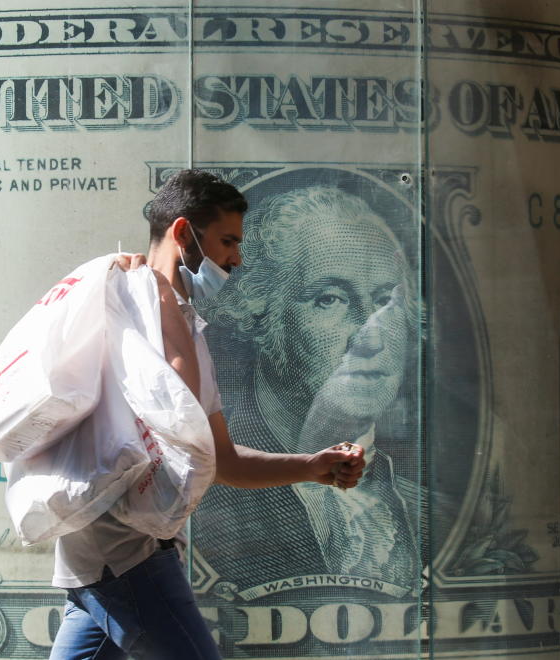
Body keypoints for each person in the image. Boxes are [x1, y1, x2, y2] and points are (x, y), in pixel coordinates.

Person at [48, 171, 366, 660]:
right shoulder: (131, 309)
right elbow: (184, 426)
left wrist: (312, 466)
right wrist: (162, 296)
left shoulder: (181, 321)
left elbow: (221, 460)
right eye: (227, 241)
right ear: (182, 233)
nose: (236, 258)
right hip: (127, 552)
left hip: (107, 557)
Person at [195, 184, 425, 596]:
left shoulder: (429, 512)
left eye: (385, 301)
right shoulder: (208, 505)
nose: (370, 338)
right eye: (330, 298)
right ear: (262, 313)